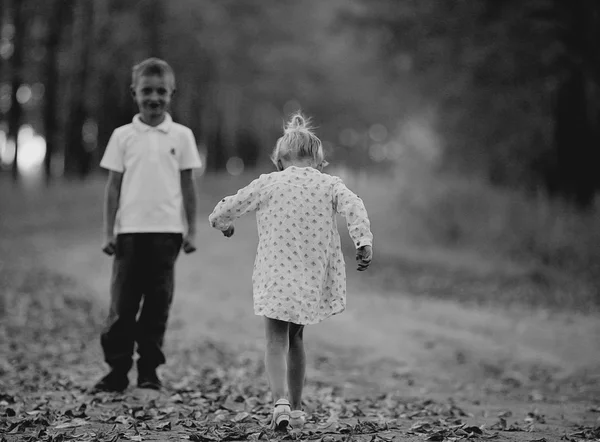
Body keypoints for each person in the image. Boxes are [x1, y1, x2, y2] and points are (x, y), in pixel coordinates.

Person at [208, 112, 373, 430]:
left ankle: (279, 401)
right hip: (309, 279)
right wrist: (363, 240)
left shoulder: (268, 182)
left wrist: (223, 224)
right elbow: (355, 206)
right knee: (296, 340)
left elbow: (227, 208)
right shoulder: (329, 184)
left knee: (274, 342)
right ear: (318, 162)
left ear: (279, 161)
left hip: (275, 276)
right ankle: (296, 409)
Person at [93, 57, 202, 392]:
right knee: (122, 306)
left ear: (171, 93)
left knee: (157, 305)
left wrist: (191, 230)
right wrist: (109, 231)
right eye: (146, 91)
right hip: (128, 234)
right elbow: (113, 187)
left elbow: (187, 186)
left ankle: (149, 371)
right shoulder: (122, 136)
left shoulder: (182, 136)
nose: (154, 97)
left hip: (167, 234)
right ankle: (116, 370)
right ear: (134, 93)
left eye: (161, 91)